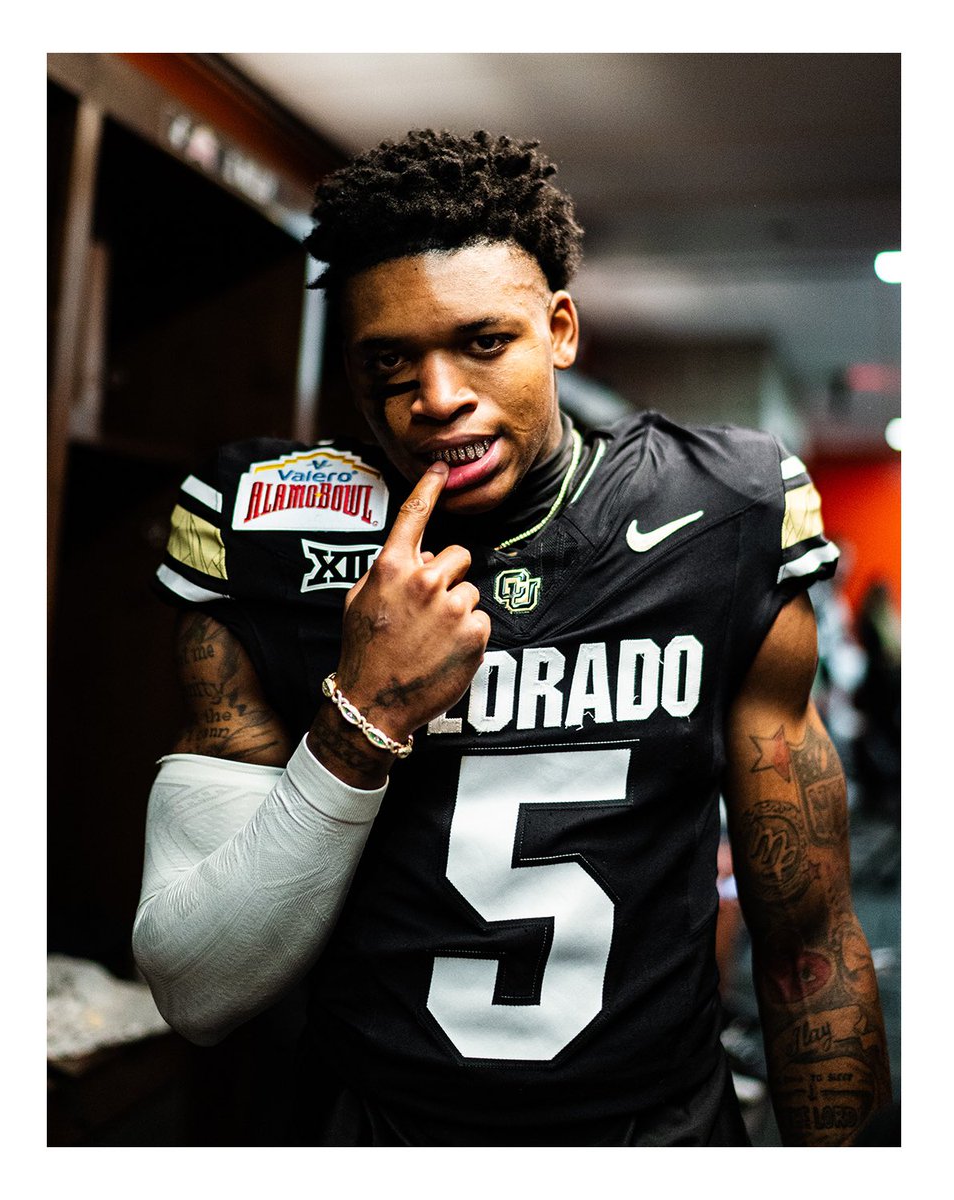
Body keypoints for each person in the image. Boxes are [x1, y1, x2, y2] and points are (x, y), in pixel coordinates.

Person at [132, 129, 892, 1146]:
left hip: (657, 1135)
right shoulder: (275, 529)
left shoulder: (719, 514)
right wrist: (367, 714)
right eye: (390, 361)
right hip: (385, 1133)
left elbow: (808, 941)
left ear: (561, 331)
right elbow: (201, 983)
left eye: (483, 343)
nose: (438, 398)